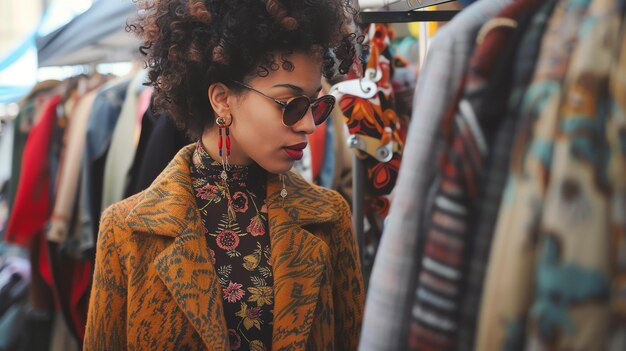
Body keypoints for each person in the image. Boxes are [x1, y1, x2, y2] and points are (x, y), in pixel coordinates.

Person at [83, 0, 364, 350]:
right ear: (221, 99)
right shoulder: (127, 230)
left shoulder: (328, 217)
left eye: (316, 105)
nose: (309, 124)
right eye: (290, 104)